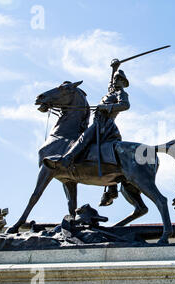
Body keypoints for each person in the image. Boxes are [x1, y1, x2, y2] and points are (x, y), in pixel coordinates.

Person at [44, 59, 130, 206]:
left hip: (105, 125)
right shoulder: (112, 91)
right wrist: (115, 68)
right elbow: (110, 84)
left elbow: (125, 105)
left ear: (123, 82)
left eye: (118, 79)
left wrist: (107, 108)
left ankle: (66, 159)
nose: (115, 82)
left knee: (83, 138)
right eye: (115, 79)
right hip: (99, 123)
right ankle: (111, 187)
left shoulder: (121, 93)